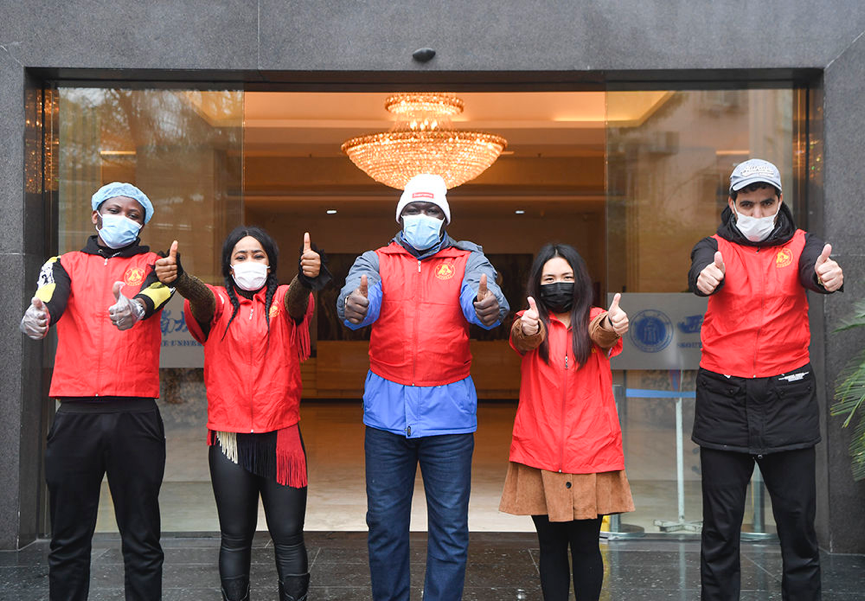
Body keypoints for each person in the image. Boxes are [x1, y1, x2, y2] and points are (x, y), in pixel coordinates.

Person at [336, 173, 509, 601]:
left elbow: (483, 298)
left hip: (449, 419)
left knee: (449, 529)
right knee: (384, 526)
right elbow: (360, 298)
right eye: (413, 209)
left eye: (431, 210)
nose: (422, 217)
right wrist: (355, 305)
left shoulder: (469, 260)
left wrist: (488, 305)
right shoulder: (375, 260)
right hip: (386, 417)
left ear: (444, 218)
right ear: (400, 215)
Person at [688, 158, 844, 601]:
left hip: (788, 398)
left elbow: (815, 269)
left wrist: (828, 276)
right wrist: (705, 277)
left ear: (779, 201)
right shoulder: (713, 246)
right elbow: (700, 271)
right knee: (720, 529)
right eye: (747, 204)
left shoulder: (804, 244)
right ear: (732, 203)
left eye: (766, 203)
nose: (757, 213)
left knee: (797, 528)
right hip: (723, 397)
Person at [154, 226, 330, 601]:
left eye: (258, 255)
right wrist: (181, 279)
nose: (250, 262)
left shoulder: (284, 300)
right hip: (229, 441)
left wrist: (305, 278)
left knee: (288, 536)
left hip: (281, 438)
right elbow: (200, 299)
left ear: (271, 264)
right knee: (234, 538)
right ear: (229, 266)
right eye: (241, 256)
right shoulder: (217, 303)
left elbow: (297, 302)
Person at [19, 182, 171, 601]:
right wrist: (37, 316)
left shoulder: (156, 263)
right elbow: (49, 298)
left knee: (142, 539)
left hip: (135, 415)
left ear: (141, 225)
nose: (124, 218)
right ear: (96, 216)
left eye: (134, 215)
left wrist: (135, 308)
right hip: (76, 415)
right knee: (68, 541)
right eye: (115, 210)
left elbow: (155, 294)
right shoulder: (64, 263)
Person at [499, 243, 634, 601]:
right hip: (539, 452)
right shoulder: (528, 320)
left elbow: (605, 332)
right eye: (549, 279)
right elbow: (525, 336)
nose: (558, 285)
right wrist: (528, 325)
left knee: (587, 545)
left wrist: (614, 324)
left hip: (591, 452)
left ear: (580, 281)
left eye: (566, 277)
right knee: (551, 547)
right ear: (536, 285)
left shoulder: (595, 318)